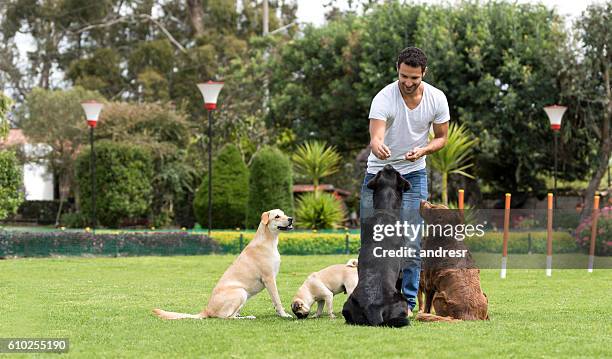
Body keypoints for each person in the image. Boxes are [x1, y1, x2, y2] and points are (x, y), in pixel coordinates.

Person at [360, 47, 450, 312]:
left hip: (413, 175)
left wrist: (424, 150)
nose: (408, 83)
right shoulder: (384, 98)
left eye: (414, 78)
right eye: (403, 76)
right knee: (372, 239)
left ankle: (408, 303)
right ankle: (370, 298)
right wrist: (377, 145)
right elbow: (375, 135)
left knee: (410, 240)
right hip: (378, 176)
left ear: (424, 73)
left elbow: (442, 137)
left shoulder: (437, 98)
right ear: (397, 69)